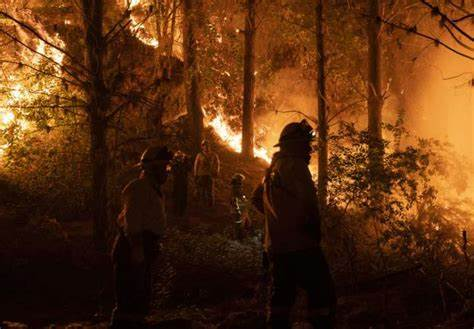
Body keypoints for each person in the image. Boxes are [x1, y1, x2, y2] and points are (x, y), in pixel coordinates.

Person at [252, 120, 336, 329]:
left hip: (277, 247)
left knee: (282, 298)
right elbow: (308, 204)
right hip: (301, 245)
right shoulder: (295, 166)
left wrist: (278, 219)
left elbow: (256, 199)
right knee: (322, 292)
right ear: (294, 145)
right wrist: (314, 232)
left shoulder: (271, 170)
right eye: (305, 143)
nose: (309, 148)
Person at [110, 145, 173, 329]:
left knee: (140, 297)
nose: (167, 172)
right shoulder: (138, 188)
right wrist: (137, 249)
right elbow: (132, 220)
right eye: (164, 167)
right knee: (130, 297)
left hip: (144, 246)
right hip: (132, 248)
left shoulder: (151, 188)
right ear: (152, 168)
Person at [194, 139, 220, 206]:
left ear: (209, 146)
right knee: (200, 190)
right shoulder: (199, 155)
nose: (206, 147)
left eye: (207, 145)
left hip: (209, 175)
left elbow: (217, 164)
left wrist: (216, 172)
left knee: (210, 191)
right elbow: (196, 165)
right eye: (204, 145)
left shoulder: (214, 155)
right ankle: (201, 204)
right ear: (202, 147)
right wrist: (195, 174)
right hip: (201, 175)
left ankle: (210, 205)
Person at [171, 151, 191, 218]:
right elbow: (173, 171)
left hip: (183, 183)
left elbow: (189, 168)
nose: (180, 159)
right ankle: (176, 212)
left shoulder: (185, 164)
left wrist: (186, 160)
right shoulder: (174, 165)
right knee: (176, 197)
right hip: (177, 183)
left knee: (183, 197)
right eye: (179, 157)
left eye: (181, 157)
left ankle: (181, 212)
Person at [230, 173, 250, 240]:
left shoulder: (236, 187)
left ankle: (239, 237)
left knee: (241, 224)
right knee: (238, 225)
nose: (242, 182)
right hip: (238, 209)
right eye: (241, 181)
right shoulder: (236, 188)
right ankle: (237, 239)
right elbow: (238, 198)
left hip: (239, 209)